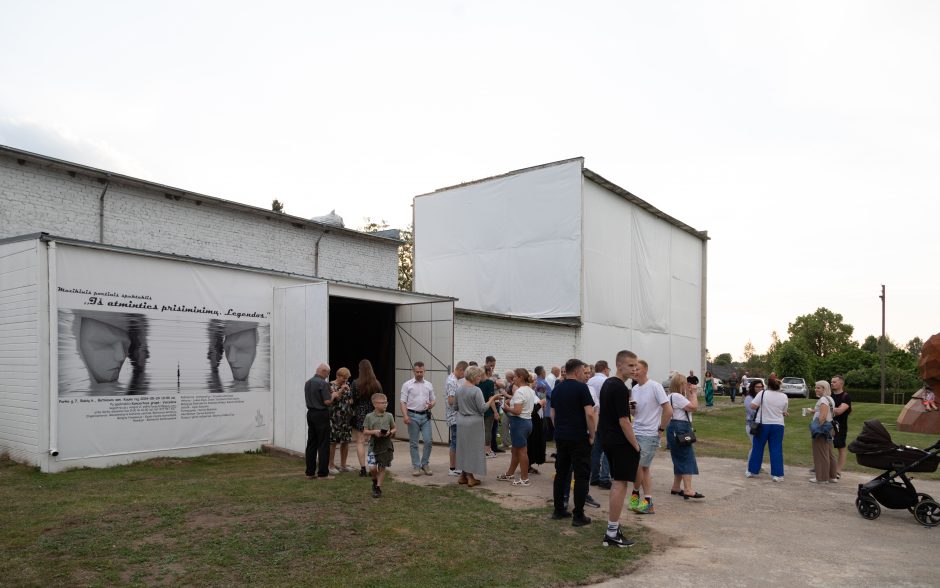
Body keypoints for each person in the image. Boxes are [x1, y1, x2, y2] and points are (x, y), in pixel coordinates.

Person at [599, 350, 640, 548]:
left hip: (608, 438)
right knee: (620, 484)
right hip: (618, 440)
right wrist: (635, 444)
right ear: (619, 365)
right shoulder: (619, 388)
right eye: (631, 365)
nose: (634, 369)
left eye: (636, 365)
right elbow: (624, 421)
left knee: (618, 483)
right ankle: (612, 532)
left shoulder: (609, 383)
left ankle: (613, 529)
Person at [550, 358, 596, 527]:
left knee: (561, 473)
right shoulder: (582, 388)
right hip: (578, 437)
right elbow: (590, 414)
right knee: (582, 475)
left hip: (562, 437)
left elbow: (553, 414)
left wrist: (559, 430)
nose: (585, 375)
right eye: (584, 372)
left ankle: (558, 509)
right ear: (577, 372)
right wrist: (592, 435)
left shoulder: (557, 389)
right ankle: (578, 515)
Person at [629, 359, 672, 514]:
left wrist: (661, 429)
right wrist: (631, 408)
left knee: (639, 467)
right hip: (636, 432)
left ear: (646, 370)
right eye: (633, 369)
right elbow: (634, 413)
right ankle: (647, 501)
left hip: (649, 434)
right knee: (644, 468)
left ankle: (637, 495)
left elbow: (669, 410)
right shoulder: (634, 389)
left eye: (637, 368)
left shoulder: (655, 386)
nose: (634, 371)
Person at [455, 365, 500, 487]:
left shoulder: (459, 389)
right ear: (474, 376)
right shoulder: (476, 390)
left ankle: (463, 476)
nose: (480, 378)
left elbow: (455, 407)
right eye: (479, 375)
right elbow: (482, 408)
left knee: (464, 448)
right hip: (474, 422)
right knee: (473, 450)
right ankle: (470, 477)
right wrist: (492, 399)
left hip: (461, 421)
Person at [497, 368, 537, 485]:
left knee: (522, 451)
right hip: (527, 422)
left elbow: (518, 411)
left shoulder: (519, 391)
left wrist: (506, 407)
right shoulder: (529, 390)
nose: (513, 378)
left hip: (519, 423)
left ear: (519, 377)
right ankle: (510, 473)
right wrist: (511, 404)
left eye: (514, 376)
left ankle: (524, 479)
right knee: (515, 450)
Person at [665, 372, 702, 498]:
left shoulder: (670, 396)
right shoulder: (677, 396)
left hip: (673, 427)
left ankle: (676, 487)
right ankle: (688, 489)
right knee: (687, 457)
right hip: (681, 427)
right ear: (680, 384)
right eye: (686, 383)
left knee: (679, 458)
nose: (688, 385)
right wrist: (694, 393)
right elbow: (693, 407)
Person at [747, 377, 789, 481]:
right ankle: (778, 475)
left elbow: (752, 406)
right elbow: (784, 411)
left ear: (768, 385)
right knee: (776, 449)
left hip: (763, 424)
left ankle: (753, 471)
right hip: (778, 424)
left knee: (758, 448)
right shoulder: (784, 396)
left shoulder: (762, 393)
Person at [400, 361, 436, 476]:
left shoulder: (429, 384)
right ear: (413, 371)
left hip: (425, 416)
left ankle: (425, 464)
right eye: (417, 372)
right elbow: (403, 401)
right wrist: (405, 416)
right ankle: (416, 466)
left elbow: (434, 399)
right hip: (412, 416)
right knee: (414, 443)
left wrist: (432, 404)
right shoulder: (407, 385)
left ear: (424, 371)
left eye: (421, 372)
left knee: (428, 441)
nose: (419, 374)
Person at [305, 362, 340, 480]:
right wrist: (334, 395)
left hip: (310, 413)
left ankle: (310, 472)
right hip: (321, 414)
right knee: (323, 444)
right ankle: (323, 473)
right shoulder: (322, 383)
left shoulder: (308, 382)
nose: (328, 376)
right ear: (323, 371)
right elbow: (327, 402)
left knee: (311, 443)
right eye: (328, 373)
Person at [350, 359, 383, 477]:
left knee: (360, 441)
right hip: (373, 414)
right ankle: (372, 467)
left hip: (360, 413)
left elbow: (352, 399)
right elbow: (381, 398)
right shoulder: (377, 384)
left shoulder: (355, 383)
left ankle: (362, 468)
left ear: (360, 370)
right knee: (372, 442)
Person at [362, 392, 396, 498]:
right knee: (372, 468)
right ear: (375, 404)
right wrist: (375, 432)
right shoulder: (369, 416)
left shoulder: (389, 416)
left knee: (382, 467)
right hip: (373, 446)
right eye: (382, 403)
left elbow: (394, 428)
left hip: (385, 446)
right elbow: (365, 431)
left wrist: (390, 432)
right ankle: (374, 480)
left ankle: (378, 488)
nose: (385, 404)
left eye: (386, 402)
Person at [587, 360, 612, 489]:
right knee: (608, 449)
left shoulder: (589, 382)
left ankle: (594, 477)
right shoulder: (606, 381)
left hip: (593, 417)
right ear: (604, 369)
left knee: (596, 449)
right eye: (608, 369)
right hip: (605, 417)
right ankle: (604, 477)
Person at [808, 380, 838, 484]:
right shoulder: (830, 399)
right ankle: (832, 476)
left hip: (822, 429)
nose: (816, 389)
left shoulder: (823, 400)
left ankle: (821, 478)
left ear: (824, 389)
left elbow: (823, 416)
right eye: (816, 387)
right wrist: (814, 411)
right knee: (829, 453)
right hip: (829, 427)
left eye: (818, 388)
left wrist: (818, 428)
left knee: (820, 453)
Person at [327, 367, 353, 474]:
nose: (345, 381)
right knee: (333, 442)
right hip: (334, 418)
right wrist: (341, 390)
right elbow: (334, 398)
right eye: (344, 378)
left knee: (345, 441)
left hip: (346, 418)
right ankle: (331, 465)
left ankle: (343, 465)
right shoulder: (330, 385)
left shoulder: (348, 385)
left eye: (347, 379)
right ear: (338, 376)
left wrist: (350, 398)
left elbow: (351, 399)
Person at [445, 361, 468, 476]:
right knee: (455, 442)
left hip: (458, 416)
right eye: (464, 373)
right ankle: (452, 468)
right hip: (454, 417)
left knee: (458, 442)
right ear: (460, 370)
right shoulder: (452, 381)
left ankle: (456, 466)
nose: (464, 376)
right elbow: (450, 400)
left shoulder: (456, 380)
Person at [830, 374, 853, 476]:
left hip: (840, 426)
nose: (832, 383)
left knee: (841, 447)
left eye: (834, 382)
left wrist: (826, 409)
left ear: (841, 383)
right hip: (828, 425)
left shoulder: (846, 396)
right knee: (825, 446)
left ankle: (838, 471)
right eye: (831, 382)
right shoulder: (829, 396)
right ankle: (823, 466)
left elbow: (839, 411)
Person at [527, 369, 547, 473]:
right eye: (534, 380)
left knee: (535, 444)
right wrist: (540, 404)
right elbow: (530, 410)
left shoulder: (535, 390)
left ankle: (529, 464)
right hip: (533, 421)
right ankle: (527, 465)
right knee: (531, 444)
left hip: (537, 421)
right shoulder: (528, 392)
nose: (536, 382)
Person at [743, 379, 763, 469]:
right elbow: (751, 411)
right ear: (753, 388)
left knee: (759, 446)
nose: (760, 388)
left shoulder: (763, 397)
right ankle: (750, 466)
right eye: (757, 387)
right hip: (752, 425)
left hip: (762, 424)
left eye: (761, 387)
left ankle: (757, 465)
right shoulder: (749, 398)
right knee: (755, 445)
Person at [480, 366, 499, 456]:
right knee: (488, 430)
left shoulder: (476, 383)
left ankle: (482, 449)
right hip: (487, 410)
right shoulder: (490, 383)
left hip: (478, 409)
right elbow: (491, 398)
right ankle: (487, 450)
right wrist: (495, 411)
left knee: (480, 430)